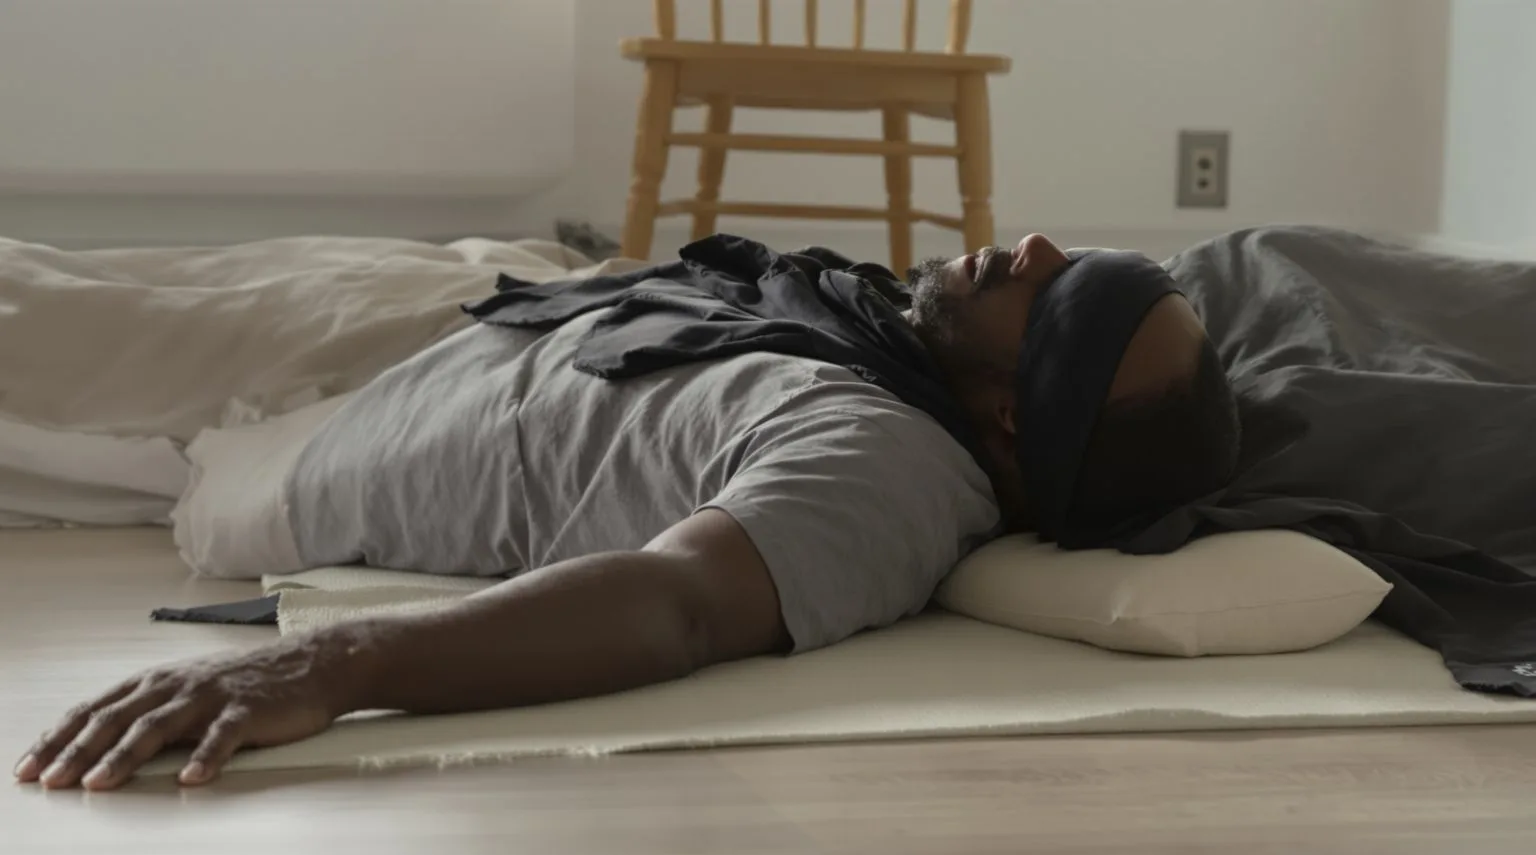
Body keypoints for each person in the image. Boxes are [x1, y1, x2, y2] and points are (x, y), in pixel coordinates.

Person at [13, 232, 1241, 791]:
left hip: (307, 417)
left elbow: (677, 606)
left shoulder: (886, 470)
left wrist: (336, 663)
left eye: (1063, 300)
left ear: (1023, 423)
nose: (1029, 245)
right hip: (479, 305)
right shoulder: (892, 347)